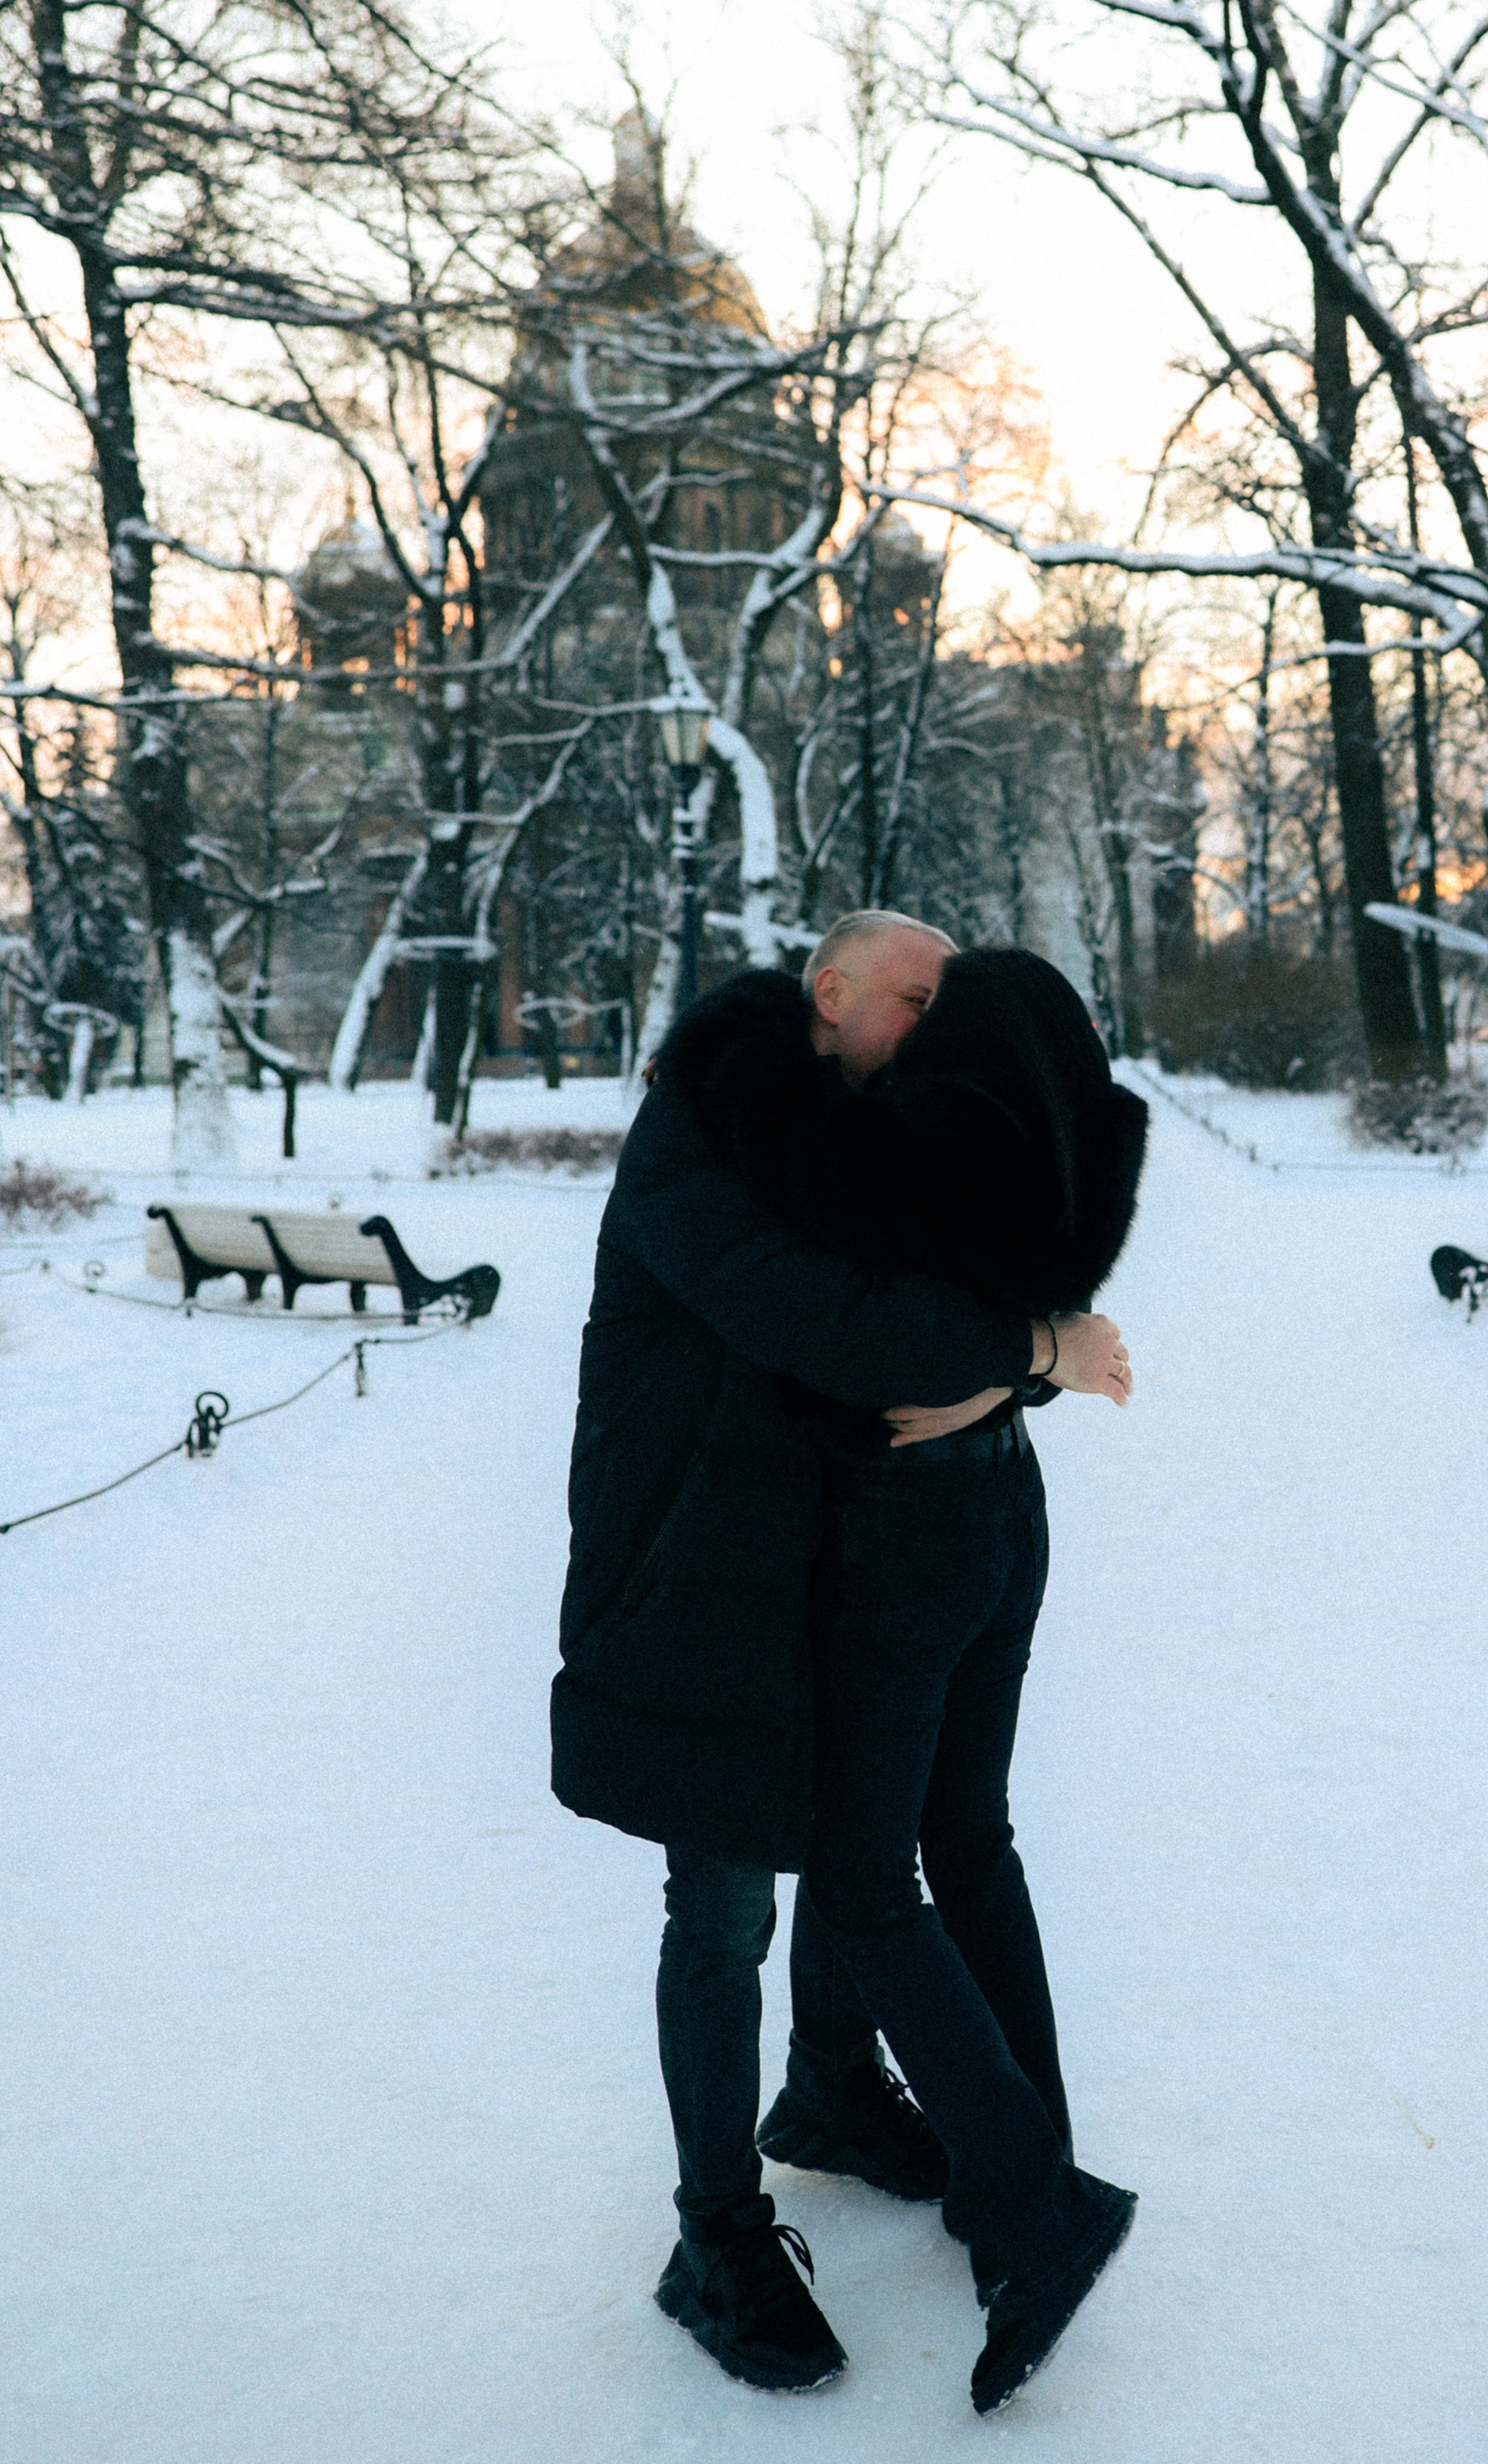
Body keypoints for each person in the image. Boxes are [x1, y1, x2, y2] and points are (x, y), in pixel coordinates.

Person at [550, 911, 1130, 2398]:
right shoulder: (700, 1136)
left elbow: (952, 1293)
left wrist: (1023, 1362)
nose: (932, 1031)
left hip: (823, 1546)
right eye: (916, 1002)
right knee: (727, 1898)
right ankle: (716, 2235)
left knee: (844, 1832)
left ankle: (831, 2094)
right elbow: (832, 1319)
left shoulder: (852, 1124)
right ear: (829, 994)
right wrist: (1037, 1350)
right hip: (699, 1565)